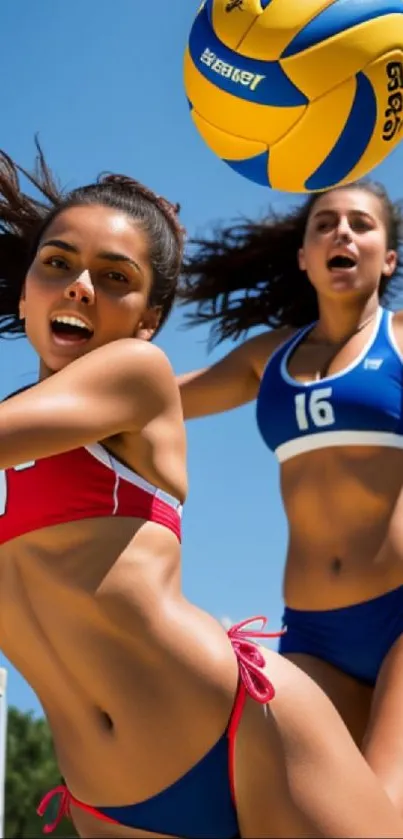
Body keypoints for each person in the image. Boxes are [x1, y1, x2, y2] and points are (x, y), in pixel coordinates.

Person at [0, 146, 402, 839]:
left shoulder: (135, 372)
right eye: (58, 263)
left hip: (245, 729)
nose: (79, 286)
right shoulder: (264, 360)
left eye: (114, 275)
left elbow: (156, 401)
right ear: (24, 290)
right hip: (106, 795)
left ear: (150, 319)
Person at [177, 178, 403, 815]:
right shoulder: (268, 358)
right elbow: (157, 399)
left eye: (361, 224)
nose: (342, 233)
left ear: (388, 257)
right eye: (325, 224)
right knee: (294, 815)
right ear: (303, 255)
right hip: (312, 631)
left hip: (399, 621)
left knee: (383, 811)